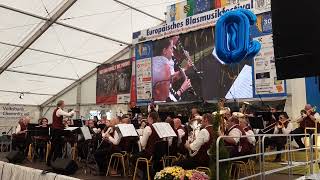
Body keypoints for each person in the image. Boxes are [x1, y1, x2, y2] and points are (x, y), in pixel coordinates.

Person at [47, 100, 76, 166]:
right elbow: (68, 114)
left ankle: (50, 161)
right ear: (61, 104)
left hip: (56, 130)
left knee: (55, 147)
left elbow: (61, 118)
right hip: (57, 131)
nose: (64, 105)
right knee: (56, 146)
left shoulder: (57, 111)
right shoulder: (59, 110)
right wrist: (73, 110)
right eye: (64, 104)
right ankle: (72, 143)